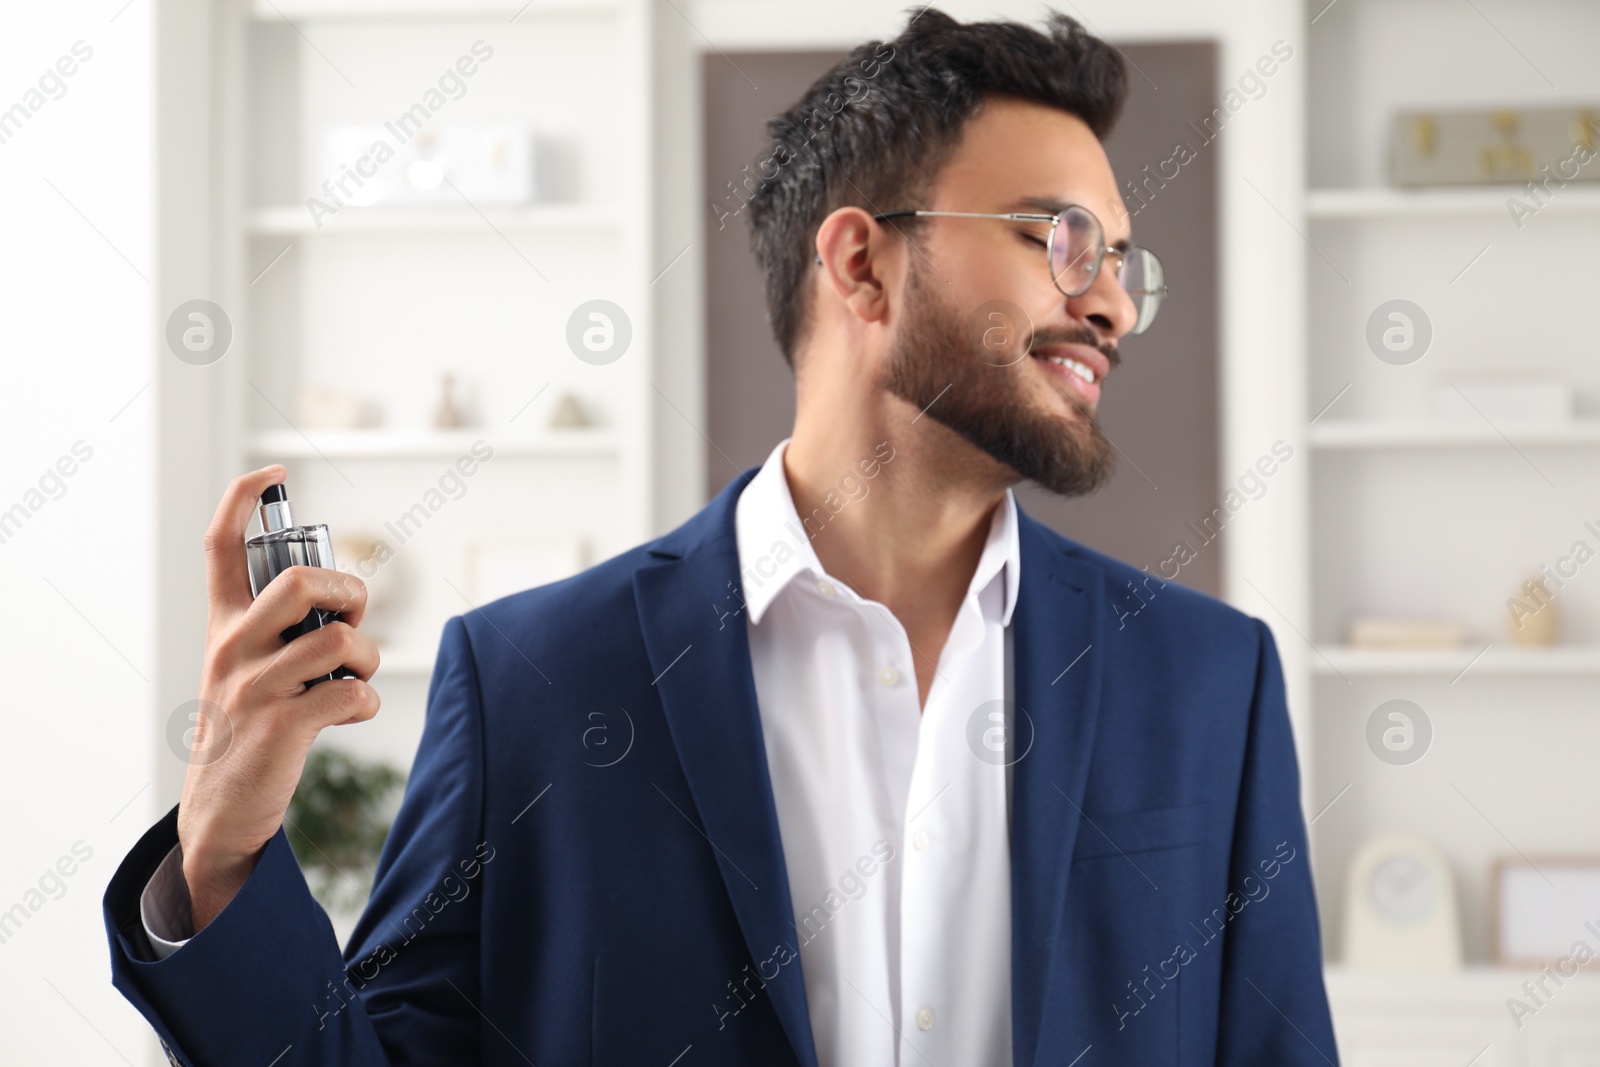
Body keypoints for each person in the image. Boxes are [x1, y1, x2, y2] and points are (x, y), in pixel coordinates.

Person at [103, 8, 1338, 1066]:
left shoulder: (1208, 681)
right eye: (1058, 237)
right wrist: (223, 845)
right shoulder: (536, 680)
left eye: (1124, 259)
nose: (1112, 297)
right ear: (861, 264)